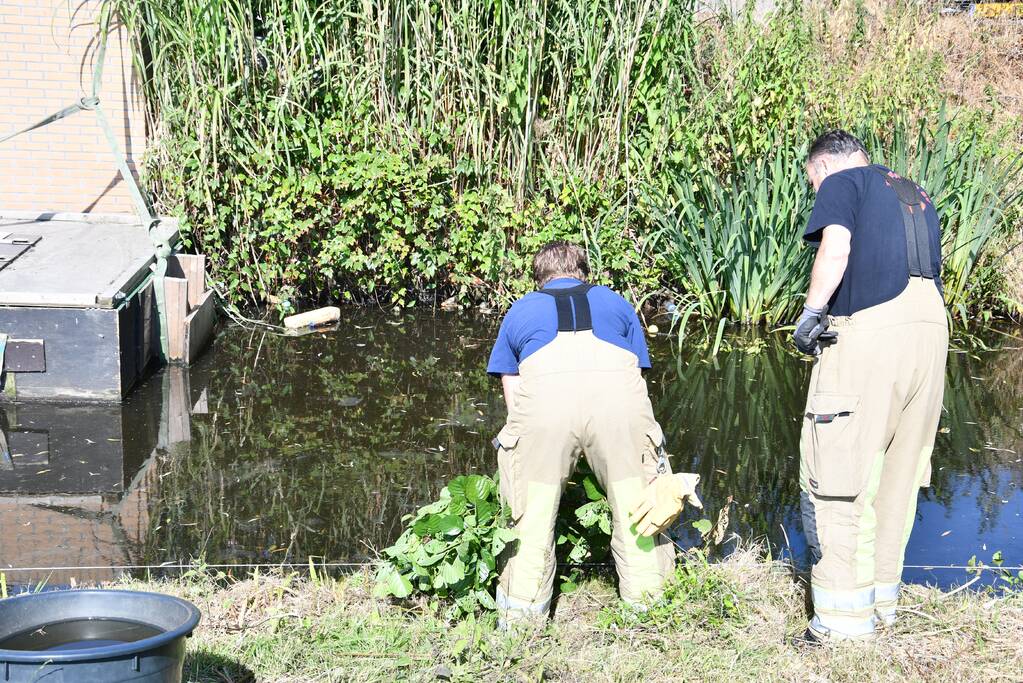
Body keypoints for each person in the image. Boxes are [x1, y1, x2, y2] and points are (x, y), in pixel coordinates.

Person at [487, 241, 701, 623]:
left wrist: (537, 443)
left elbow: (512, 387)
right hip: (617, 402)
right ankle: (648, 607)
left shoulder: (521, 309)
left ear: (540, 277)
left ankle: (522, 615)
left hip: (544, 405)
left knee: (531, 513)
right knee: (637, 503)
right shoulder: (616, 302)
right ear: (584, 272)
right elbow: (635, 374)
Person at [792, 130, 948, 643]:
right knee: (899, 474)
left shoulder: (844, 181)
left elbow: (836, 249)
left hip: (874, 332)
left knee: (840, 470)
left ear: (826, 165)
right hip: (931, 334)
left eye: (814, 181)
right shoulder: (914, 193)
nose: (817, 192)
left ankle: (840, 621)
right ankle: (883, 603)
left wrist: (813, 314)